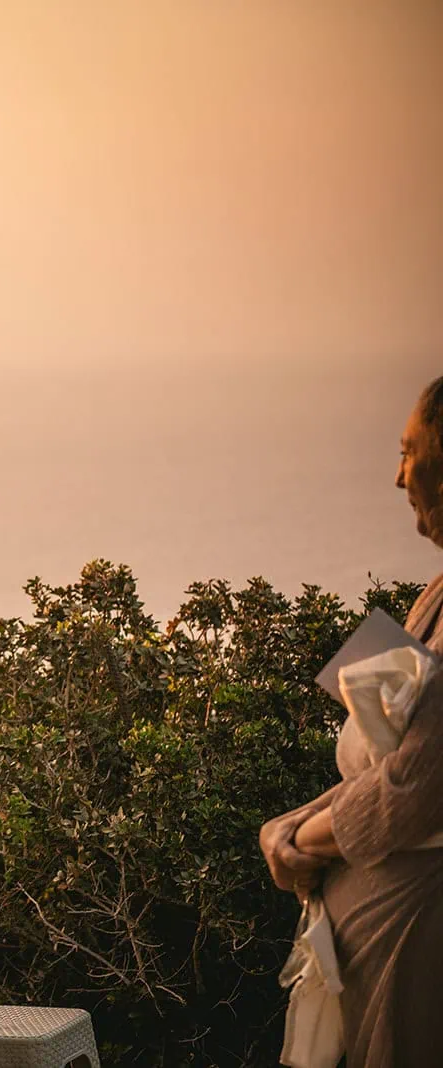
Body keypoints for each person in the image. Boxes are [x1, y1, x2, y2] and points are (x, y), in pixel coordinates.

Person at [259, 375, 443, 1068]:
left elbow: (414, 787)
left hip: (419, 936)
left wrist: (298, 839)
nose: (400, 478)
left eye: (410, 451)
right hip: (381, 937)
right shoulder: (437, 592)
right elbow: (396, 757)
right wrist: (291, 826)